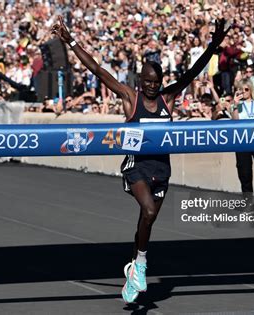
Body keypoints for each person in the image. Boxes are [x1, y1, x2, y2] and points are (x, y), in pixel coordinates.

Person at [51, 16, 230, 304]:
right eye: (147, 81)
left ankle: (134, 266)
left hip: (161, 168)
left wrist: (212, 47)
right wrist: (70, 40)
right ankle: (142, 265)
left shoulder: (167, 99)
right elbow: (97, 69)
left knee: (146, 224)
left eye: (156, 82)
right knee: (147, 212)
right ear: (139, 81)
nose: (151, 86)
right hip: (136, 166)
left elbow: (192, 73)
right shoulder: (128, 97)